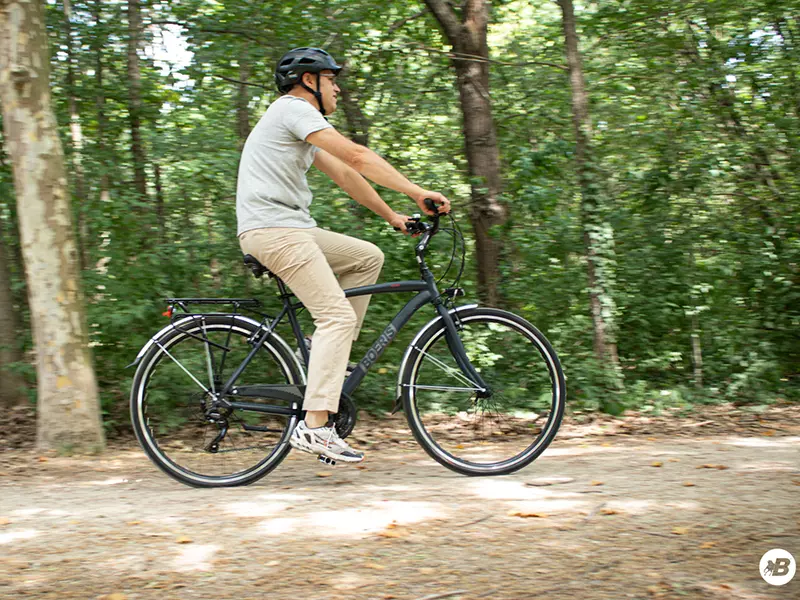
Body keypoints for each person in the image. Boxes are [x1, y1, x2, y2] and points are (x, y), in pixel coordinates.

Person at [236, 47, 450, 464]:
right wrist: (417, 191)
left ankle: (321, 353)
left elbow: (347, 174)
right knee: (337, 315)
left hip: (292, 229)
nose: (337, 87)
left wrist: (392, 215)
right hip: (274, 230)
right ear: (309, 81)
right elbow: (357, 155)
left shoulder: (301, 126)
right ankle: (315, 427)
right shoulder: (293, 110)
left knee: (366, 257)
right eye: (332, 79)